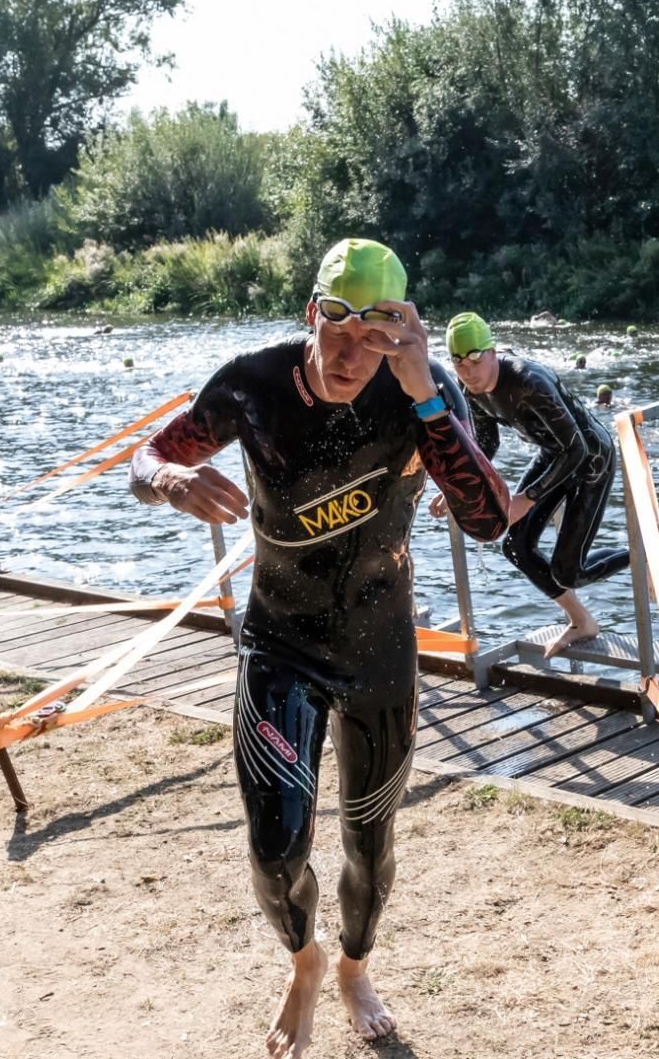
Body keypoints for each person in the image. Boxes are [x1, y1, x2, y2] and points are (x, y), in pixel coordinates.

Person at [129, 239, 508, 1058]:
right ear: (312, 315)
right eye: (335, 329)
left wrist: (425, 400)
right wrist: (167, 481)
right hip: (280, 643)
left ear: (399, 333)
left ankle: (352, 966)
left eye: (372, 336)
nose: (347, 354)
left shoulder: (427, 392)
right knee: (275, 850)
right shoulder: (254, 384)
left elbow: (488, 516)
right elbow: (151, 452)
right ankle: (303, 962)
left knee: (370, 851)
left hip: (381, 651)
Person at [431, 311, 630, 658]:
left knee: (569, 572)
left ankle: (641, 557)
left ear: (492, 352)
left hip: (590, 462)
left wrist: (527, 497)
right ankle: (581, 621)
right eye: (458, 364)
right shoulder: (470, 390)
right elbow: (485, 447)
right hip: (554, 455)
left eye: (475, 360)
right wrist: (458, 489)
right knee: (516, 547)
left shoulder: (528, 383)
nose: (468, 372)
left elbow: (577, 447)